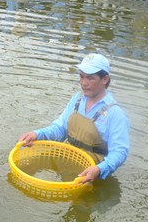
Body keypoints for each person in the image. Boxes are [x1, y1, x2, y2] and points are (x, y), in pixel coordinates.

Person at [18, 53, 129, 183]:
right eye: (81, 77)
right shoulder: (77, 99)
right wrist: (37, 134)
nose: (84, 83)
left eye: (90, 78)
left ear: (105, 79)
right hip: (64, 157)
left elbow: (120, 152)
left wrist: (99, 169)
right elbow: (60, 129)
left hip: (89, 174)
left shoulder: (115, 114)